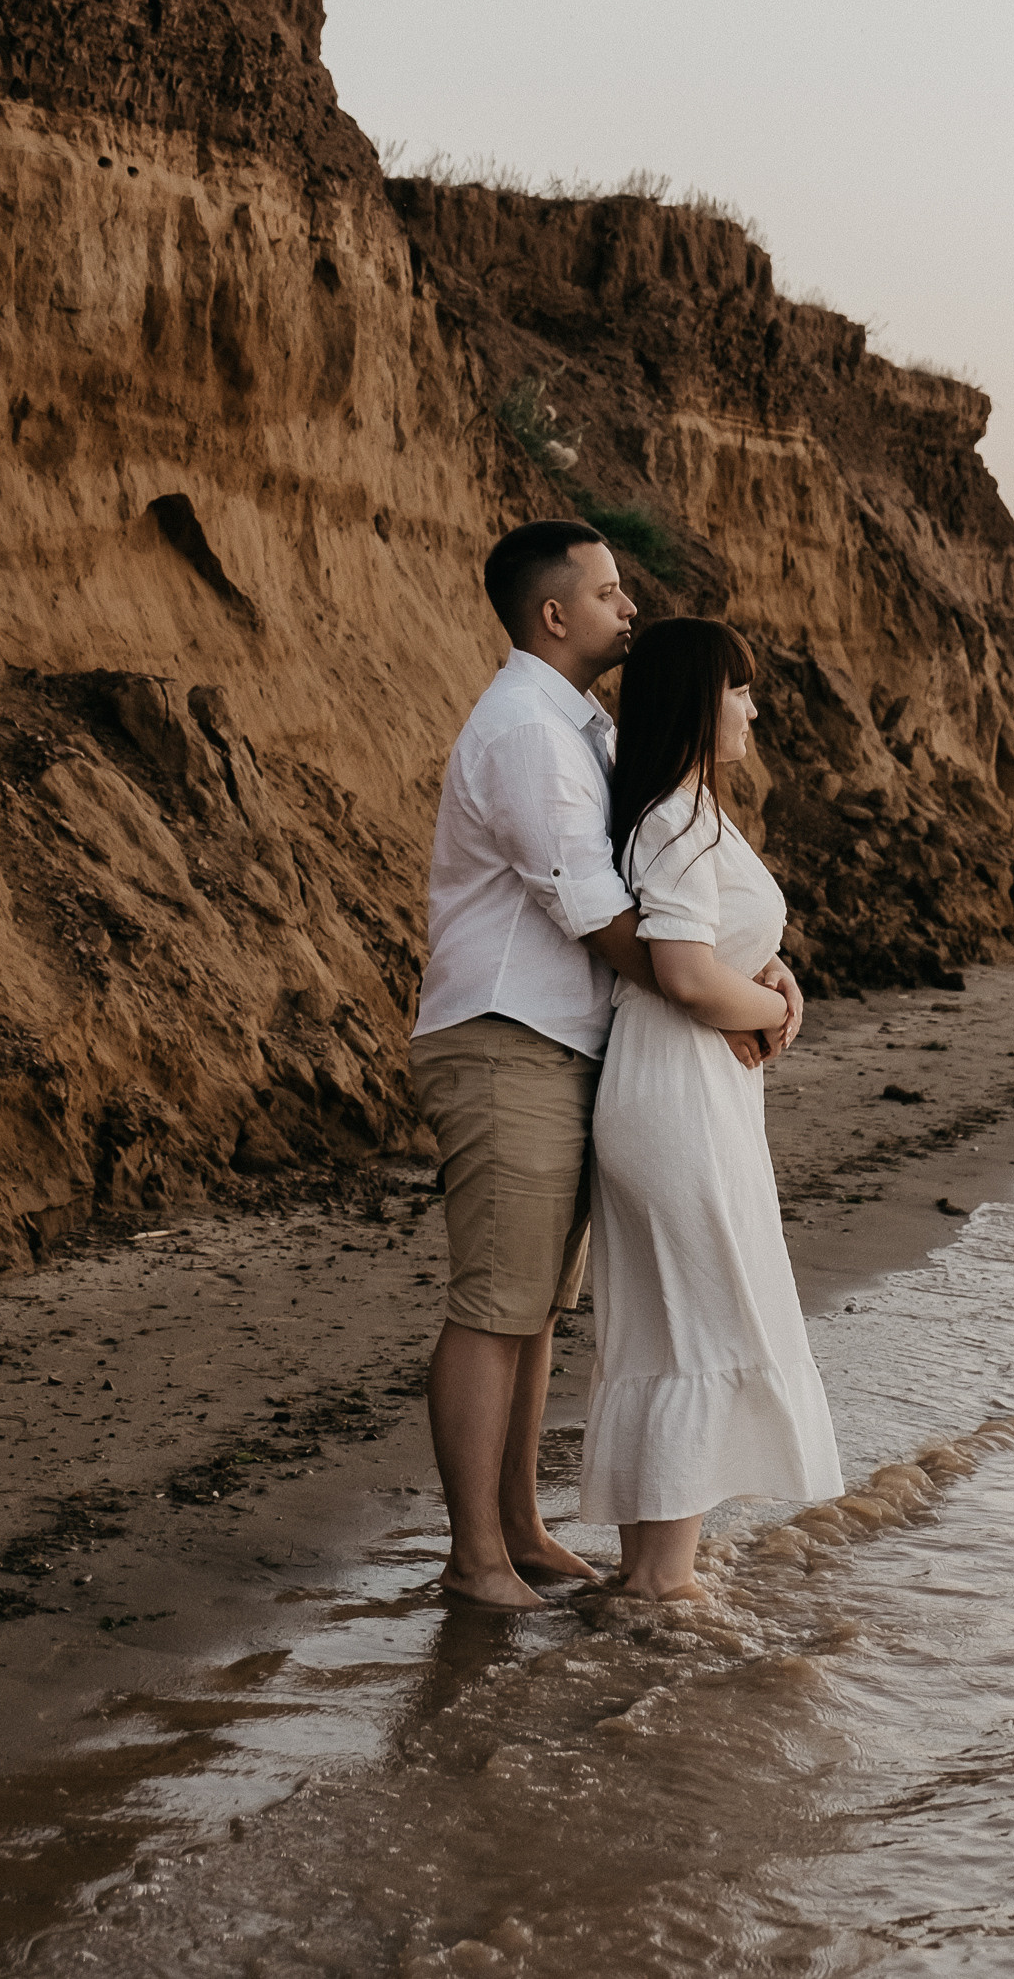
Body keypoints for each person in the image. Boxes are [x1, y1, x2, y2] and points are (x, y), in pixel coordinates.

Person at [409, 521, 802, 1608]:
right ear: (553, 613)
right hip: (506, 1035)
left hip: (567, 1045)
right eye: (608, 590)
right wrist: (731, 998)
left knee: (533, 1302)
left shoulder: (576, 726)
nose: (628, 607)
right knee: (496, 1300)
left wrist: (750, 977)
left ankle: (522, 1529)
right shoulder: (530, 733)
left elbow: (667, 907)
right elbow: (608, 921)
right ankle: (475, 1557)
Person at [578, 616, 843, 1596]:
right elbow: (686, 975)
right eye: (738, 688)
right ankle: (665, 1584)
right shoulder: (672, 818)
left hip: (686, 1088)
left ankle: (649, 1575)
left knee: (672, 1327)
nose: (753, 706)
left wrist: (776, 985)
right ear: (696, 698)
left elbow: (714, 953)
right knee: (705, 1324)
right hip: (676, 1094)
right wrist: (771, 1003)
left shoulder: (684, 809)